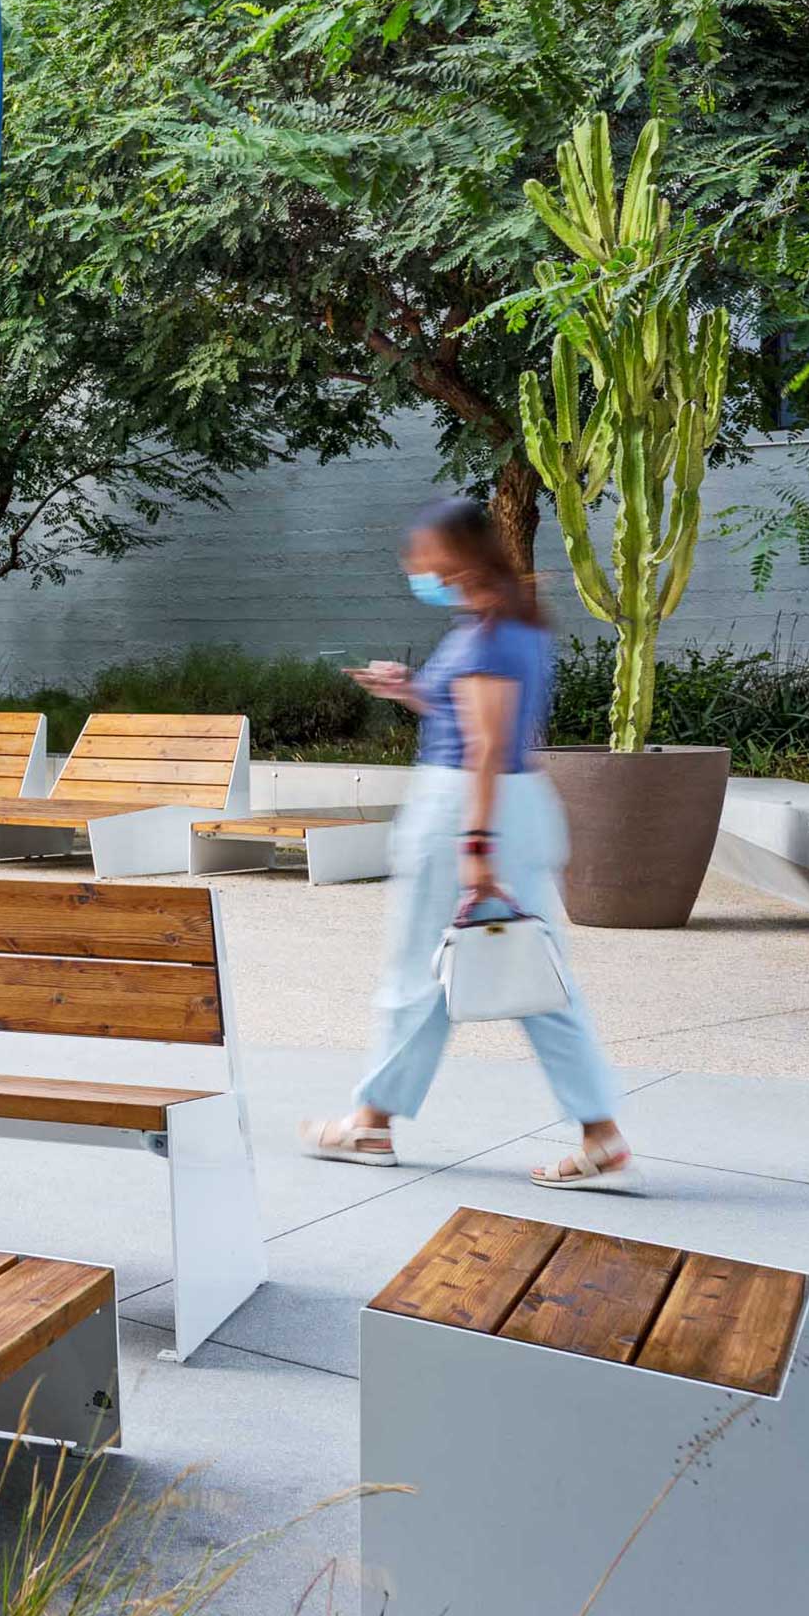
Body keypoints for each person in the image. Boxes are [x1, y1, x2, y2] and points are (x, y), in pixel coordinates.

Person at [299, 496, 639, 1190]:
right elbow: (482, 723)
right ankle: (597, 1131)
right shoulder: (512, 625)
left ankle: (370, 1123)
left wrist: (476, 850)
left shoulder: (488, 635)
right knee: (531, 977)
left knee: (415, 974)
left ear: (454, 556)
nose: (413, 568)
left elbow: (485, 745)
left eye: (419, 555)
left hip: (467, 809)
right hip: (510, 804)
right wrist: (412, 692)